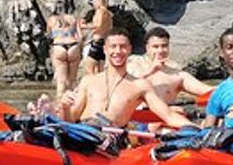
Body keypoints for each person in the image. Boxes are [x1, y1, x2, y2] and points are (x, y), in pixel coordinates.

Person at [54, 29, 192, 130]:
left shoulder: (140, 85)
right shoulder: (88, 80)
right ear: (105, 49)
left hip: (109, 135)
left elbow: (168, 115)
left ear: (130, 49)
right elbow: (71, 118)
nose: (118, 51)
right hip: (82, 131)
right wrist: (65, 107)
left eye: (123, 47)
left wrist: (197, 129)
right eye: (113, 46)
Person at [128, 27, 215, 106]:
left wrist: (226, 86)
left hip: (164, 118)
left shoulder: (175, 71)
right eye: (155, 47)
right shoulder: (134, 63)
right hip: (137, 118)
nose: (161, 50)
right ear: (147, 48)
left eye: (164, 46)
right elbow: (123, 87)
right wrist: (149, 71)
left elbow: (205, 90)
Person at [47, 0, 82, 98]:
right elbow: (80, 37)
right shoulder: (73, 18)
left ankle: (59, 107)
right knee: (73, 81)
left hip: (59, 46)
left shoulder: (51, 20)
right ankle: (74, 107)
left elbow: (49, 36)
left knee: (61, 82)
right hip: (73, 46)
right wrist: (80, 48)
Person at [80, 0, 113, 76]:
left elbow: (98, 25)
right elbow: (109, 27)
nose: (93, 4)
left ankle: (92, 85)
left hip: (98, 40)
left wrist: (85, 26)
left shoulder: (100, 11)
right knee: (100, 69)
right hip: (105, 41)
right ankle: (101, 86)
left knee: (88, 67)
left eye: (94, 2)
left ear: (99, 2)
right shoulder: (109, 14)